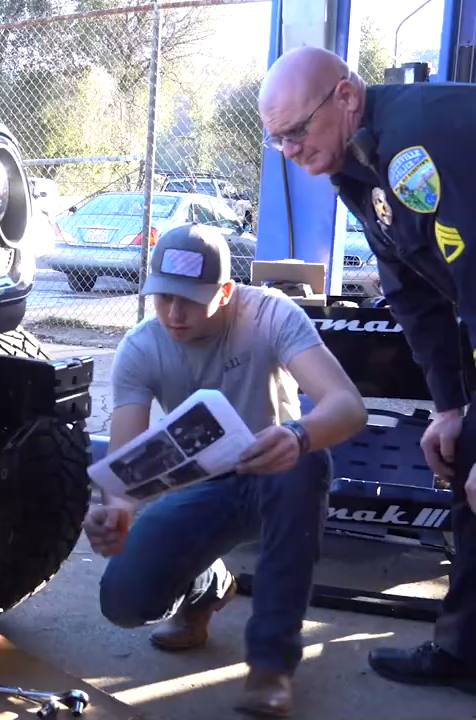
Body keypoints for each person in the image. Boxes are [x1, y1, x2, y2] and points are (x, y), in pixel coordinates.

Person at [257, 45, 476, 697]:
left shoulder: (420, 144)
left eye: (297, 130)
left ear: (346, 97)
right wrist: (449, 408)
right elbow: (417, 293)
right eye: (277, 141)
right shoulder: (361, 166)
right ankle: (465, 651)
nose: (291, 150)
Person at [83, 223, 368, 718]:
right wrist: (118, 510)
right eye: (163, 296)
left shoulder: (270, 314)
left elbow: (347, 406)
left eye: (190, 299)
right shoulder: (141, 346)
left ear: (227, 291)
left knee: (306, 465)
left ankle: (271, 665)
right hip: (203, 487)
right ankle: (209, 587)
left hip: (278, 476)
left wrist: (298, 435)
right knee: (124, 602)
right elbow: (125, 470)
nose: (174, 313)